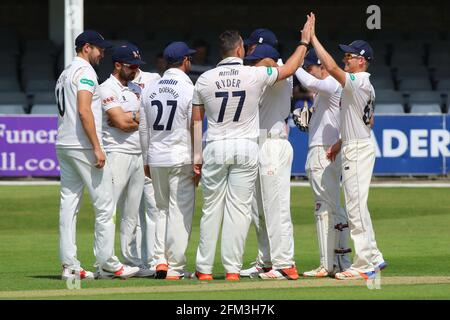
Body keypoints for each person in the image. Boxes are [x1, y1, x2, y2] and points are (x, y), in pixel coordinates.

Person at [191, 17, 312, 281]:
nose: (250, 55)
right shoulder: (254, 73)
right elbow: (285, 68)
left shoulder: (214, 76)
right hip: (250, 145)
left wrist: (304, 43)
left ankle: (283, 263)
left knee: (270, 207)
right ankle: (259, 263)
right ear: (238, 50)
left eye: (255, 52)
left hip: (263, 143)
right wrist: (303, 43)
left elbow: (282, 66)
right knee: (251, 210)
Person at [55, 30, 139, 280]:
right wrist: (97, 146)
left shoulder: (65, 73)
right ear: (86, 47)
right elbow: (84, 110)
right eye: (99, 49)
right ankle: (109, 264)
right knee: (104, 205)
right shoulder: (85, 72)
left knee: (68, 206)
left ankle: (69, 265)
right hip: (82, 145)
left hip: (65, 143)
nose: (102, 53)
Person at [309, 13, 386, 280]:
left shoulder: (361, 80)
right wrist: (342, 141)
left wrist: (312, 39)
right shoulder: (366, 86)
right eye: (346, 56)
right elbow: (369, 120)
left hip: (358, 149)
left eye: (350, 56)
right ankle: (374, 256)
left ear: (362, 60)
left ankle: (364, 263)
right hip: (355, 144)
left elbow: (329, 68)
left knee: (355, 206)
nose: (346, 59)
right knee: (357, 205)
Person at [140, 41, 196, 280]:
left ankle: (160, 261)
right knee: (179, 211)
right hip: (180, 156)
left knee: (161, 210)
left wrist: (146, 160)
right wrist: (198, 158)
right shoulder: (188, 87)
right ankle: (175, 266)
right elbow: (194, 124)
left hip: (156, 156)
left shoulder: (150, 88)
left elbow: (143, 128)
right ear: (184, 61)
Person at [242, 43, 299, 280]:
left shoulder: (280, 73)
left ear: (270, 59)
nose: (252, 64)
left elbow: (289, 68)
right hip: (259, 143)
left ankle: (285, 263)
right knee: (259, 210)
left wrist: (305, 43)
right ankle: (265, 261)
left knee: (276, 206)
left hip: (274, 143)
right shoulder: (264, 75)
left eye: (257, 59)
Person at [294, 48, 351, 277]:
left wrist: (292, 65)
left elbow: (307, 81)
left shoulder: (330, 84)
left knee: (323, 208)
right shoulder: (328, 91)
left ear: (322, 66)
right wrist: (310, 123)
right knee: (334, 207)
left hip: (322, 152)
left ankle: (327, 264)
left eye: (311, 67)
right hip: (328, 150)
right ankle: (341, 260)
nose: (309, 71)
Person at [99, 44, 154, 277]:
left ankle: (132, 262)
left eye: (137, 66)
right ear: (117, 65)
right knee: (109, 210)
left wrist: (130, 117)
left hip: (138, 154)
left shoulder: (135, 88)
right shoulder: (106, 88)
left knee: (132, 213)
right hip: (116, 153)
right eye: (131, 66)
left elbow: (147, 119)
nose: (135, 70)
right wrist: (132, 119)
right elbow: (120, 124)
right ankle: (104, 263)